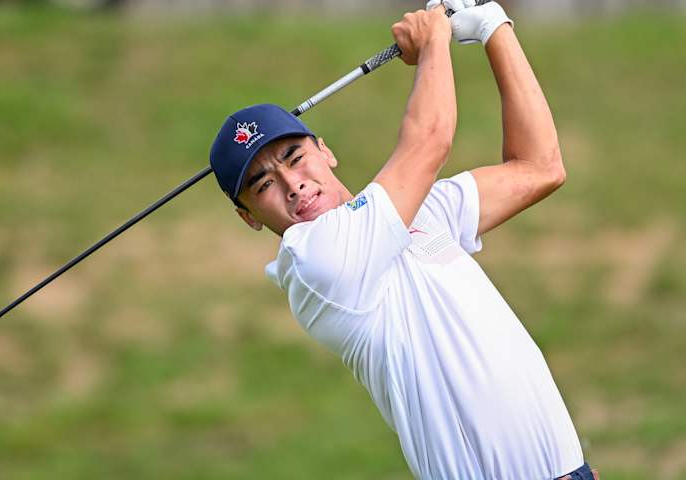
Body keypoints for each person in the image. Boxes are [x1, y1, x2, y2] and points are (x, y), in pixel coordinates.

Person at [209, 1, 599, 478]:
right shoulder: (311, 261)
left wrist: (493, 26)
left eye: (294, 157)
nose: (293, 185)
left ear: (324, 151)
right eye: (263, 184)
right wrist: (436, 36)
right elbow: (430, 142)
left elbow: (540, 167)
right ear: (249, 218)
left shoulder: (417, 212)